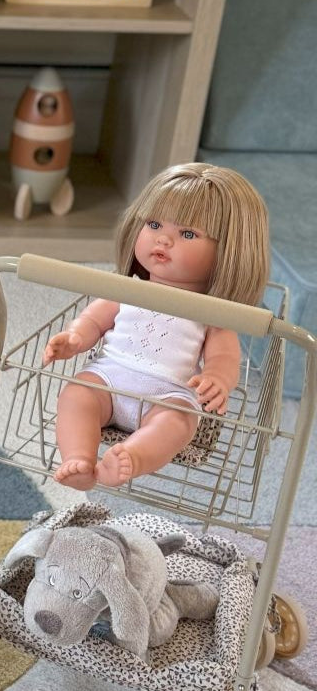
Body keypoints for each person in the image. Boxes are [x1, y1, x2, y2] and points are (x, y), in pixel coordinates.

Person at [43, 163, 269, 490]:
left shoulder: (212, 313)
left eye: (188, 233)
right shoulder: (129, 289)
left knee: (179, 423)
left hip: (169, 393)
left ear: (228, 253)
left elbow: (224, 359)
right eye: (153, 223)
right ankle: (78, 460)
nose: (163, 238)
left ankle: (129, 459)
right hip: (109, 376)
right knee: (77, 395)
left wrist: (217, 380)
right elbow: (93, 320)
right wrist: (75, 338)